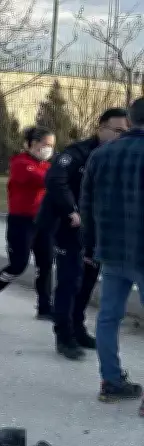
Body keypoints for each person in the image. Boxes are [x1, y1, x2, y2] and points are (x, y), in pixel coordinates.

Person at [38, 108, 130, 360]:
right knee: (69, 280)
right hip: (67, 225)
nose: (122, 136)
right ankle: (63, 335)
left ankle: (77, 328)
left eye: (126, 131)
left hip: (95, 229)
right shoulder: (77, 153)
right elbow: (55, 180)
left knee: (87, 280)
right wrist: (72, 209)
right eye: (117, 130)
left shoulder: (116, 156)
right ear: (101, 128)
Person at [80, 97, 144, 408]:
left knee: (108, 317)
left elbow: (87, 205)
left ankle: (111, 381)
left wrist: (90, 245)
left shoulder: (101, 155)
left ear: (130, 121)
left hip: (112, 249)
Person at [0, 127, 54, 319]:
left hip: (43, 221)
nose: (49, 149)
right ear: (33, 143)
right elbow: (44, 180)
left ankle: (45, 307)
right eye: (46, 144)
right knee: (18, 265)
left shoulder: (47, 166)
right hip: (21, 222)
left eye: (52, 146)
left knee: (46, 264)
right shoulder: (20, 163)